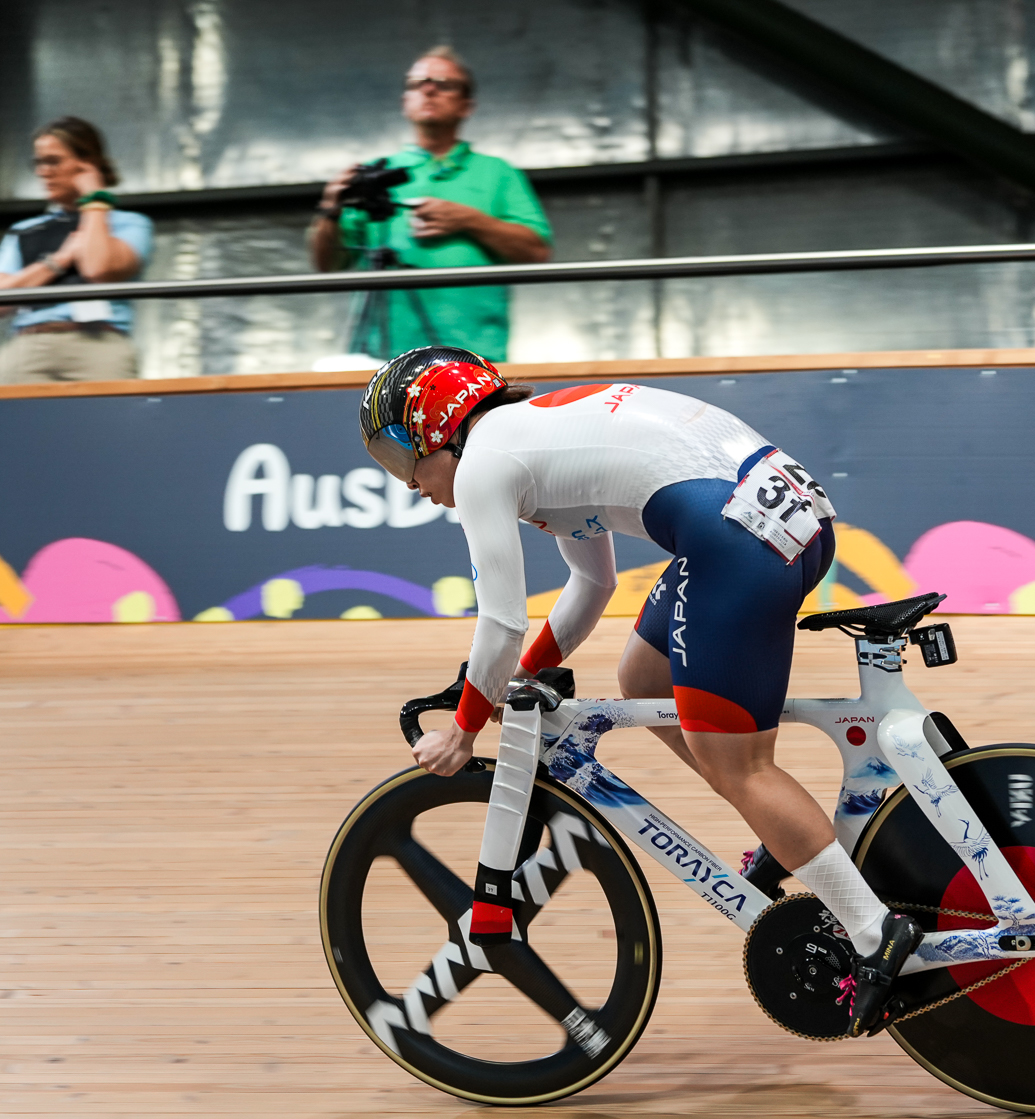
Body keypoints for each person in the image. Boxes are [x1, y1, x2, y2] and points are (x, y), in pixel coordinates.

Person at [368, 347, 924, 1037]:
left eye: (401, 461)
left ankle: (874, 933)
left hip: (733, 538)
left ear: (439, 427)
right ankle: (787, 835)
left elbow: (502, 620)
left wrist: (465, 724)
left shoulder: (484, 460)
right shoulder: (529, 433)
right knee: (643, 676)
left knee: (739, 764)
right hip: (786, 516)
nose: (410, 484)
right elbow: (590, 587)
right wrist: (525, 674)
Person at [309, 47, 550, 362]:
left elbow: (536, 252)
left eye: (443, 83)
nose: (429, 89)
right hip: (383, 357)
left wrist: (469, 220)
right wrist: (330, 210)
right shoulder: (373, 175)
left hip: (475, 357)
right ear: (404, 101)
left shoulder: (498, 173)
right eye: (417, 83)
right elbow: (326, 265)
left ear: (467, 105)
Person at [0, 116, 153, 384]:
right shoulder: (25, 229)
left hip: (97, 344)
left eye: (53, 161)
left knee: (109, 424)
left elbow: (97, 268)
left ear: (87, 164)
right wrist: (59, 260)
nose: (42, 171)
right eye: (38, 162)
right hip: (29, 343)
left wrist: (95, 200)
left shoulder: (130, 224)